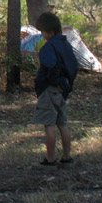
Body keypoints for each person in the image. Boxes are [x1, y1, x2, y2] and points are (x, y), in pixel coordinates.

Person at [32, 12, 78, 166]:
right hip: (62, 91)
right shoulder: (66, 45)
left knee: (49, 125)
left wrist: (55, 81)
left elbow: (51, 66)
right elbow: (73, 66)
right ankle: (66, 157)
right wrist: (66, 85)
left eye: (42, 32)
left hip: (50, 89)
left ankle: (50, 159)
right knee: (62, 124)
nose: (41, 34)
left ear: (50, 32)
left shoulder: (48, 48)